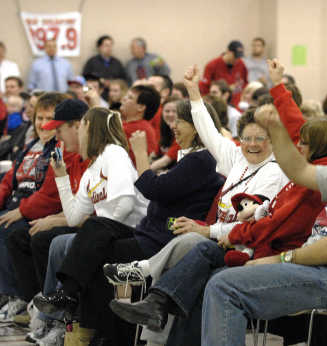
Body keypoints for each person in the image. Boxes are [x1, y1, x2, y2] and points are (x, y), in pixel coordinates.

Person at [194, 57, 327, 345]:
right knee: (216, 280)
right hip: (312, 267)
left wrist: (278, 259)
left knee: (224, 286)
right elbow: (299, 170)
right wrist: (276, 130)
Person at [35, 99, 224, 344]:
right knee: (86, 242)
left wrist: (142, 153)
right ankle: (83, 319)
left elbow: (151, 190)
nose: (174, 126)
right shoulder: (94, 166)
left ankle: (83, 317)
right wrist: (61, 178)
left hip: (159, 241)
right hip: (148, 234)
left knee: (92, 244)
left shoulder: (200, 159)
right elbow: (73, 218)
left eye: (181, 122)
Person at [6, 98, 90, 341]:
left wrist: (52, 219)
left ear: (77, 126)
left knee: (45, 240)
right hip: (73, 217)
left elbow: (92, 210)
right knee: (19, 234)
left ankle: (55, 316)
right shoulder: (66, 152)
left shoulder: (94, 157)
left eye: (59, 129)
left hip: (94, 225)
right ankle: (33, 301)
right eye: (40, 121)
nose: (56, 135)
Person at [0, 93, 68, 321]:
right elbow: (9, 180)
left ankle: (19, 297)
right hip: (17, 204)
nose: (42, 123)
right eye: (39, 117)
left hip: (38, 209)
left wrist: (21, 210)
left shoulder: (60, 149)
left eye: (49, 118)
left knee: (10, 231)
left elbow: (51, 195)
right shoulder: (31, 145)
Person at [199, 40, 248, 108]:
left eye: (239, 57)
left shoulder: (241, 64)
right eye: (235, 56)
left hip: (236, 104)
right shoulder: (212, 65)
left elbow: (245, 84)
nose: (237, 60)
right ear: (228, 51)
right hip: (217, 105)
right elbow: (204, 88)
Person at [120, 84, 161, 163]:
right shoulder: (130, 125)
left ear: (141, 107)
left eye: (130, 97)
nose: (124, 99)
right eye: (126, 96)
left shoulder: (139, 129)